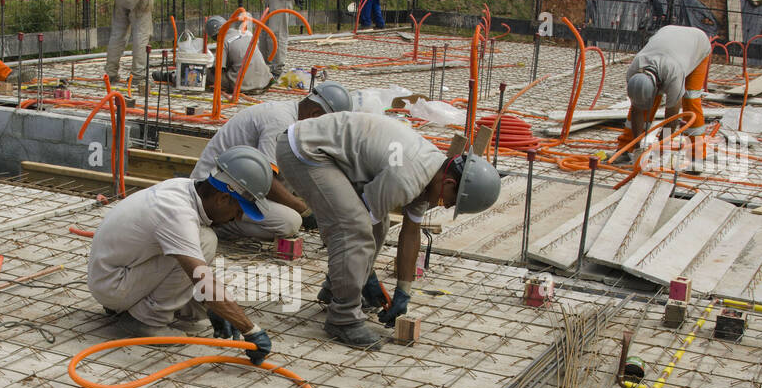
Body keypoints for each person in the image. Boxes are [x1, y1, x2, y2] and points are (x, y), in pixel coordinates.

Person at [275, 112, 501, 349]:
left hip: (326, 152)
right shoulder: (408, 177)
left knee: (376, 223)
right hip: (305, 151)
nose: (442, 205)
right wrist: (367, 276)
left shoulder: (433, 173)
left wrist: (404, 290)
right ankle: (343, 319)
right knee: (353, 227)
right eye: (448, 202)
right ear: (449, 184)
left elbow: (411, 233)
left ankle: (336, 290)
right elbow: (356, 229)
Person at [87, 145, 275, 364]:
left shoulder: (184, 188)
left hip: (116, 274)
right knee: (203, 243)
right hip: (112, 284)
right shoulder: (177, 213)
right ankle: (148, 322)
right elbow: (202, 280)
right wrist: (250, 330)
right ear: (223, 199)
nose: (239, 218)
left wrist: (221, 310)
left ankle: (134, 309)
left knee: (200, 291)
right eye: (239, 210)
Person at [190, 82, 352, 241]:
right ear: (316, 114)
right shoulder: (281, 123)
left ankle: (225, 221)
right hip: (215, 192)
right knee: (290, 222)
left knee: (296, 174)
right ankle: (217, 225)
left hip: (241, 185)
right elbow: (268, 185)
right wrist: (304, 210)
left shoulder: (294, 117)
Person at [620, 25, 712, 154]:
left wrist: (661, 149)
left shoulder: (674, 72)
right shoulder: (634, 70)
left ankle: (696, 154)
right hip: (667, 35)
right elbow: (636, 110)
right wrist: (637, 148)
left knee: (690, 99)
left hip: (698, 44)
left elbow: (672, 117)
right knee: (644, 100)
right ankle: (627, 147)